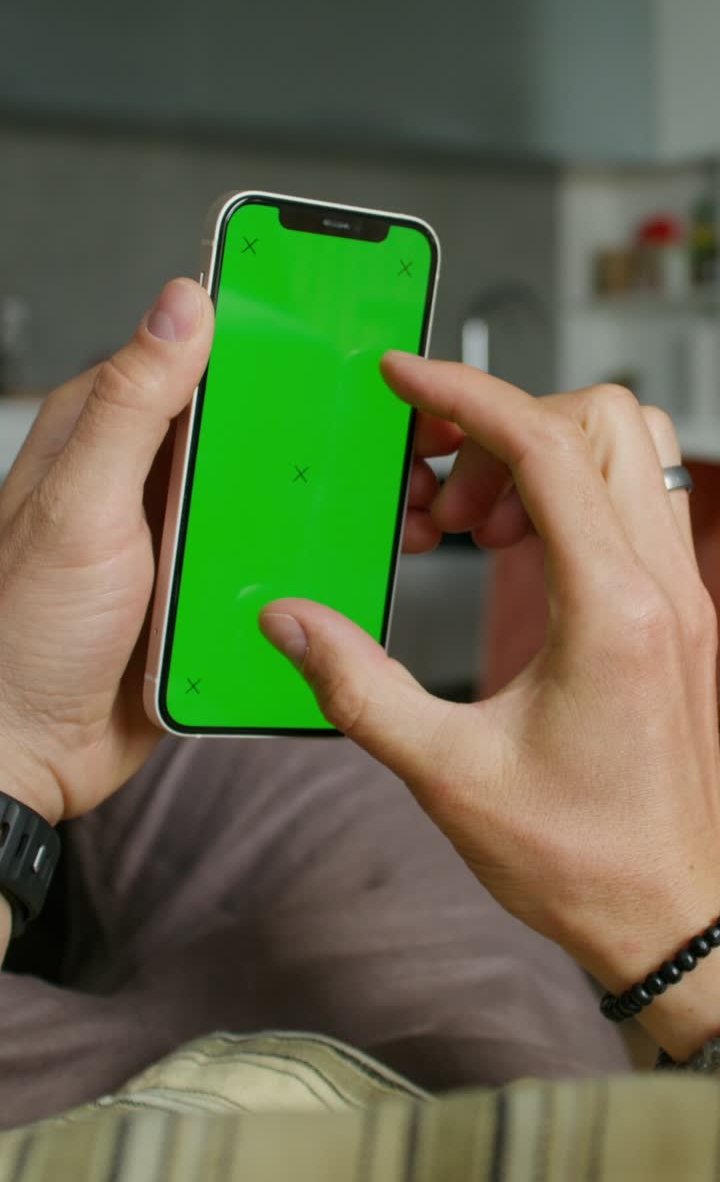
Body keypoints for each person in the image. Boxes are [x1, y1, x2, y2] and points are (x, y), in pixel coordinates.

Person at [0, 276, 719, 1180]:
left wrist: (17, 750)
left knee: (211, 680)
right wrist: (687, 943)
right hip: (467, 1095)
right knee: (266, 725)